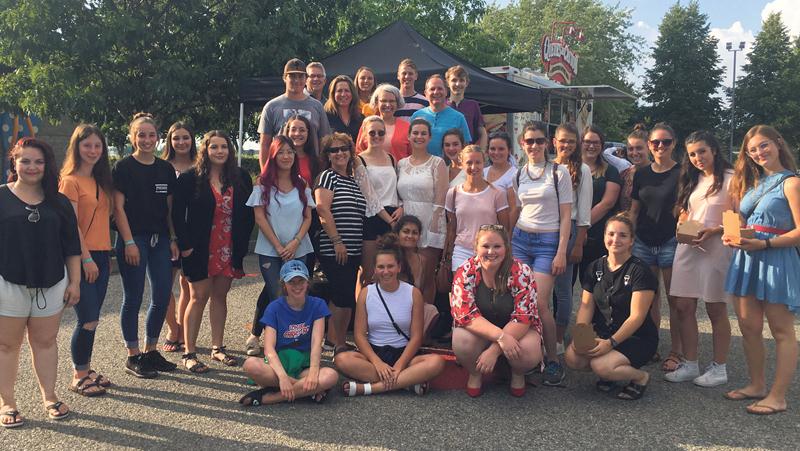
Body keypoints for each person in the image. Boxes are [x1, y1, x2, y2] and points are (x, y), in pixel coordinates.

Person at [0, 138, 80, 427]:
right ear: (14, 163)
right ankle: (7, 402)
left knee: (45, 342)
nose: (32, 167)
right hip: (8, 284)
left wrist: (75, 283)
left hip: (52, 283)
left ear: (47, 166)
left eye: (38, 161)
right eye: (25, 161)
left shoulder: (58, 202)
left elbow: (72, 247)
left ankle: (50, 397)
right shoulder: (1, 197)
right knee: (7, 346)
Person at [723, 125, 799, 415]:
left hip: (775, 257)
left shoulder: (791, 183)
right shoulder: (755, 182)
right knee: (749, 327)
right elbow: (746, 221)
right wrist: (730, 233)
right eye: (753, 150)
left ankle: (778, 397)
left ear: (779, 143)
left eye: (764, 146)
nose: (759, 153)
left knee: (781, 330)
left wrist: (765, 245)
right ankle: (756, 385)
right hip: (747, 256)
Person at [172, 130, 254, 372]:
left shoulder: (240, 177)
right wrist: (184, 245)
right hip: (199, 248)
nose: (219, 151)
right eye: (214, 147)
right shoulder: (190, 178)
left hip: (228, 247)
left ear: (230, 151)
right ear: (205, 150)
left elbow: (248, 214)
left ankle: (218, 348)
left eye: (224, 147)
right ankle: (189, 352)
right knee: (198, 297)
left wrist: (241, 246)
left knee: (220, 296)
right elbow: (177, 214)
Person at [335, 236, 446, 396]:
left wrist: (400, 364)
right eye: (381, 267)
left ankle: (369, 388)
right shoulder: (366, 293)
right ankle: (406, 383)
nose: (386, 271)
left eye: (390, 266)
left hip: (404, 353)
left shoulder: (413, 293)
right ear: (375, 269)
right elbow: (359, 335)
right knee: (342, 360)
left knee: (436, 362)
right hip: (375, 354)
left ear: (399, 267)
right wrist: (377, 362)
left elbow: (416, 337)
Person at [112, 113, 179, 378]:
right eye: (141, 134)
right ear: (132, 137)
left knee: (162, 295)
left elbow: (170, 209)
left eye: (151, 134)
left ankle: (151, 350)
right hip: (133, 238)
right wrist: (128, 242)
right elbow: (118, 207)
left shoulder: (165, 169)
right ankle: (133, 355)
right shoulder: (123, 168)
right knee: (133, 297)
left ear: (158, 137)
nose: (147, 139)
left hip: (160, 238)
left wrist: (173, 238)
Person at [564, 214, 658, 400]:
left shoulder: (640, 271)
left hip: (636, 336)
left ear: (632, 240)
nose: (616, 239)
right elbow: (586, 306)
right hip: (604, 332)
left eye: (623, 235)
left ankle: (640, 377)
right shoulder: (595, 267)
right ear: (604, 236)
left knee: (602, 366)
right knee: (572, 357)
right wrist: (583, 337)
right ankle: (611, 372)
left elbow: (636, 317)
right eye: (611, 234)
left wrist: (611, 343)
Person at [666, 131, 734, 386]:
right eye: (692, 153)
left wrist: (715, 230)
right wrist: (682, 224)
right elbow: (686, 212)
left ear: (714, 150)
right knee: (683, 305)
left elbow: (739, 217)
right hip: (689, 247)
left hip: (716, 248)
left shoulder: (731, 179)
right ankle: (691, 363)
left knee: (715, 307)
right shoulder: (691, 179)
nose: (697, 157)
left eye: (702, 151)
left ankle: (719, 367)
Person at [510, 121, 572, 386]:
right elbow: (515, 211)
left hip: (548, 241)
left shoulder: (559, 173)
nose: (534, 146)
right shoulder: (518, 174)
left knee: (539, 303)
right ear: (522, 144)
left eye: (538, 141)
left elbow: (567, 216)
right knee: (519, 301)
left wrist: (561, 252)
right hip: (521, 239)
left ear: (547, 143)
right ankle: (528, 354)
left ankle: (552, 359)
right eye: (529, 141)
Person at [451, 225, 543, 397]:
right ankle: (475, 372)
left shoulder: (522, 272)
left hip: (517, 330)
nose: (491, 252)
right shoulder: (465, 271)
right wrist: (501, 338)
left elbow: (523, 317)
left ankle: (517, 372)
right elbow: (465, 314)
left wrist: (494, 350)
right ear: (476, 247)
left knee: (529, 349)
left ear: (506, 248)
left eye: (497, 246)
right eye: (485, 246)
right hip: (480, 331)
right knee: (461, 339)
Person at [245, 136, 315, 357]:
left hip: (298, 249)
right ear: (273, 156)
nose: (286, 156)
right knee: (277, 295)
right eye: (281, 152)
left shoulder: (302, 184)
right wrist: (278, 246)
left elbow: (308, 218)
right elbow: (260, 218)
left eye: (290, 152)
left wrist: (295, 243)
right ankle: (275, 345)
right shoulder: (262, 184)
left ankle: (286, 340)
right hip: (270, 250)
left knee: (295, 295)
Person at [59, 125, 114, 397]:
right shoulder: (70, 181)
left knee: (93, 318)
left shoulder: (101, 180)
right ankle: (78, 374)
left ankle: (87, 368)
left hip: (103, 254)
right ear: (76, 147)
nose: (92, 151)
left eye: (97, 146)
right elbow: (71, 226)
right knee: (87, 319)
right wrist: (87, 258)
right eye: (87, 145)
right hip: (84, 257)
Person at [239, 260, 339, 406]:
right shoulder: (274, 307)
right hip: (279, 363)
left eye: (301, 281)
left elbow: (316, 344)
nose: (297, 286)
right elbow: (269, 349)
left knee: (330, 376)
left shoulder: (318, 305)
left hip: (304, 364)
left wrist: (313, 373)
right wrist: (283, 377)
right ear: (284, 284)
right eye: (292, 282)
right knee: (250, 365)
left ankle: (268, 397)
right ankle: (308, 391)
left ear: (307, 282)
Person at [628, 122, 681, 372]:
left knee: (675, 300)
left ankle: (676, 351)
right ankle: (653, 346)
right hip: (643, 242)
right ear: (649, 145)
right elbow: (635, 209)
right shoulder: (642, 173)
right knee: (648, 300)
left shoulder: (683, 173)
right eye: (656, 142)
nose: (660, 146)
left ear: (674, 144)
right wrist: (626, 238)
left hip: (671, 240)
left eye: (666, 142)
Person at [315, 133, 366, 353]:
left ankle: (339, 342)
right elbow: (322, 209)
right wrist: (337, 241)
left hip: (353, 249)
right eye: (334, 150)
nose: (339, 153)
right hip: (335, 248)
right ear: (327, 155)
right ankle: (333, 341)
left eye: (343, 148)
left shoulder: (353, 180)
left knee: (346, 297)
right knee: (340, 295)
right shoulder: (328, 177)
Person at [551, 123, 592, 355]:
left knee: (563, 289)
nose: (566, 145)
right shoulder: (548, 166)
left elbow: (584, 211)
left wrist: (578, 243)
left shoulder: (582, 170)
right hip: (547, 228)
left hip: (571, 230)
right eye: (562, 140)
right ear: (554, 141)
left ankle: (558, 338)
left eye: (571, 141)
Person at [397, 119, 448, 302]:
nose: (419, 137)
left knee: (425, 277)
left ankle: (425, 320)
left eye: (423, 133)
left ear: (430, 137)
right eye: (415, 133)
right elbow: (399, 194)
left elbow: (441, 197)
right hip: (406, 224)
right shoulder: (401, 164)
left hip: (429, 221)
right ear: (409, 136)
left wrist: (433, 226)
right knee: (406, 274)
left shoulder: (437, 163)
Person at [444, 145, 510, 272]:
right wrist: (446, 256)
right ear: (462, 164)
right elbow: (451, 229)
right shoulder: (453, 193)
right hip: (462, 250)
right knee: (462, 290)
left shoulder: (497, 193)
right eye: (469, 162)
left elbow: (504, 229)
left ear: (483, 163)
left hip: (489, 251)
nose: (473, 167)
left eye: (478, 162)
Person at [161, 122, 196, 353]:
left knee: (187, 284)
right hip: (166, 231)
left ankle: (183, 328)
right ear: (169, 141)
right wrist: (173, 236)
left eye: (185, 138)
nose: (181, 142)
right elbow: (165, 205)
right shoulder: (162, 167)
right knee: (164, 285)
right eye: (176, 138)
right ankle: (172, 327)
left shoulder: (200, 165)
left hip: (192, 232)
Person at [258, 58, 331, 170]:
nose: (296, 80)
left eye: (300, 76)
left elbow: (324, 142)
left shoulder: (317, 106)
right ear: (284, 78)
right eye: (292, 76)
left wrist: (322, 172)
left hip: (311, 171)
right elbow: (264, 144)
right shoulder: (271, 107)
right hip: (280, 171)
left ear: (306, 79)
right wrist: (265, 173)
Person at [355, 116, 402, 288]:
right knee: (368, 274)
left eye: (380, 133)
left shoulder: (391, 158)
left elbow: (398, 188)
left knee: (391, 270)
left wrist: (401, 208)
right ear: (365, 135)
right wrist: (390, 220)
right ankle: (361, 312)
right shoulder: (358, 160)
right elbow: (370, 196)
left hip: (393, 217)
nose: (376, 136)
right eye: (372, 132)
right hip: (372, 218)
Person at [580, 125, 621, 284]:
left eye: (596, 142)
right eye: (587, 141)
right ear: (580, 143)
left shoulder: (610, 171)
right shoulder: (570, 168)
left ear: (602, 145)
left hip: (597, 235)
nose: (591, 146)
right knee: (563, 288)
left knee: (595, 284)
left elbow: (607, 203)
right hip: (569, 233)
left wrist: (581, 226)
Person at [410, 74, 471, 158]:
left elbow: (466, 147)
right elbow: (409, 145)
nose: (436, 92)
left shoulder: (459, 117)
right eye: (432, 89)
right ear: (425, 93)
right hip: (422, 167)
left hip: (449, 168)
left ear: (446, 91)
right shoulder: (416, 116)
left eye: (440, 88)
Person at [355, 84, 411, 161]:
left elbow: (412, 156)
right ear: (377, 102)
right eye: (383, 101)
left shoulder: (407, 127)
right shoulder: (367, 125)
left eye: (391, 101)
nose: (388, 105)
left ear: (397, 103)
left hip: (400, 172)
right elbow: (358, 152)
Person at [393, 216, 434, 304]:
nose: (410, 236)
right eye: (406, 232)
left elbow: (428, 289)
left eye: (414, 233)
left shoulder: (423, 261)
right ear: (397, 234)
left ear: (419, 236)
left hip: (416, 308)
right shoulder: (390, 258)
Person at [445, 65, 487, 149]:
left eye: (461, 80)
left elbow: (482, 133)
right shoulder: (442, 105)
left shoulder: (473, 105)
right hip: (446, 153)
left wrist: (480, 153)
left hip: (467, 155)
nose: (458, 84)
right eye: (454, 80)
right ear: (447, 83)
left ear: (466, 83)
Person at [280, 115, 321, 188]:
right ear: (288, 131)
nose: (297, 133)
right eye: (293, 130)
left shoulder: (316, 162)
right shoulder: (279, 159)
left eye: (302, 130)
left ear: (308, 133)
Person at [618, 124, 650, 212]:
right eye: (630, 149)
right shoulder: (623, 174)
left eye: (639, 148)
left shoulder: (657, 173)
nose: (635, 153)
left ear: (649, 148)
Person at [484, 132, 518, 214]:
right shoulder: (482, 172)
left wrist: (507, 227)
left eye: (501, 149)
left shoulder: (514, 175)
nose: (496, 153)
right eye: (492, 149)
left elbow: (514, 210)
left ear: (509, 151)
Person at [324, 75, 363, 142]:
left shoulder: (360, 118)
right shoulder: (325, 117)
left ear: (352, 93)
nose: (343, 94)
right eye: (339, 91)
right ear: (333, 94)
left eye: (347, 91)